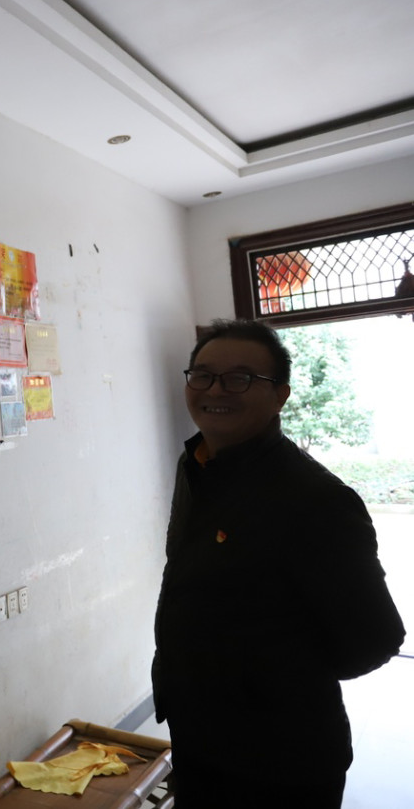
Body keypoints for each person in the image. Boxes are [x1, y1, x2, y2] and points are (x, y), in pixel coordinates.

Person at [152, 319, 405, 808]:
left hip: (280, 761)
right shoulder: (197, 465)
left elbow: (375, 639)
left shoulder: (316, 499)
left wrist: (269, 684)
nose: (215, 390)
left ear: (280, 396)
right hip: (198, 736)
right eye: (202, 375)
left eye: (240, 378)